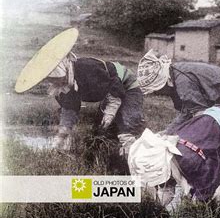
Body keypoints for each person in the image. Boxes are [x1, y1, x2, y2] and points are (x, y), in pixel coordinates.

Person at [15, 28, 144, 157]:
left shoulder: (86, 68)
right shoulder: (64, 86)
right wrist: (62, 134)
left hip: (126, 86)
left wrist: (111, 111)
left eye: (59, 79)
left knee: (126, 124)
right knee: (102, 129)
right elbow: (69, 109)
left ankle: (133, 157)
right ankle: (111, 157)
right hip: (107, 91)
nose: (58, 83)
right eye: (53, 81)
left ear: (64, 70)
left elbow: (114, 84)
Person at [136, 49, 220, 175]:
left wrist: (179, 139)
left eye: (156, 90)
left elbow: (200, 119)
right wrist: (168, 132)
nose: (157, 93)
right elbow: (187, 112)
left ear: (163, 82)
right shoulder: (175, 75)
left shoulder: (182, 82)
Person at [128, 104, 220, 206]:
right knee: (196, 182)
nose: (161, 185)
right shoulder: (167, 148)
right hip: (218, 120)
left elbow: (213, 167)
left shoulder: (189, 161)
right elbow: (167, 185)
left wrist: (200, 198)